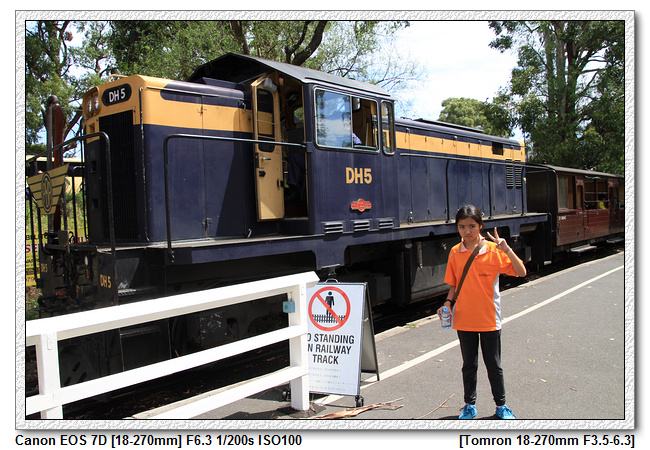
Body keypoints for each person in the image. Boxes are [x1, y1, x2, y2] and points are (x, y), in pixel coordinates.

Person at [438, 205, 527, 420]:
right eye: (462, 227)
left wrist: (507, 249)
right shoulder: (455, 252)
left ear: (480, 226)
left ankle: (501, 406)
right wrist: (448, 303)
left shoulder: (494, 250)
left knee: (494, 365)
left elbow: (521, 272)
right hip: (464, 318)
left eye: (471, 226)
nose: (467, 231)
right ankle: (469, 405)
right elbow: (454, 284)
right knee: (469, 365)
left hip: (489, 319)